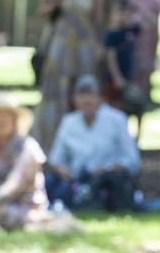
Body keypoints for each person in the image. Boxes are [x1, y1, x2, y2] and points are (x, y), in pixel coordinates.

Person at [32, 0, 104, 152]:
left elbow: (98, 17)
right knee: (57, 91)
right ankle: (53, 144)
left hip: (84, 44)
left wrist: (99, 45)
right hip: (61, 44)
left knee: (82, 87)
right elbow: (42, 12)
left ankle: (83, 143)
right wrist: (54, 1)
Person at [46, 74, 141, 211]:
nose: (86, 100)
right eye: (81, 95)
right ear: (74, 99)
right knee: (49, 182)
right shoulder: (69, 122)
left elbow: (132, 160)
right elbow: (56, 158)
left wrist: (107, 169)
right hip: (75, 180)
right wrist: (62, 170)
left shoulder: (117, 120)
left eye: (90, 95)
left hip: (105, 181)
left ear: (101, 98)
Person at [0, 96, 49, 229]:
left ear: (15, 121)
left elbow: (16, 183)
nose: (2, 120)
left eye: (7, 116)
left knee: (3, 214)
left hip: (24, 207)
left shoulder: (28, 147)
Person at [116, 0, 160, 138]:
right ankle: (123, 133)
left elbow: (155, 27)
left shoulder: (154, 0)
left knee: (141, 94)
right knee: (123, 94)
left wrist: (154, 58)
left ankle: (139, 134)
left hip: (144, 52)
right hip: (125, 52)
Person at [103, 0, 142, 115]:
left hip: (128, 76)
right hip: (114, 78)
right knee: (114, 106)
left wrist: (137, 8)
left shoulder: (131, 30)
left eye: (126, 13)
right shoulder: (112, 35)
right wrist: (117, 77)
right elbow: (111, 58)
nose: (122, 16)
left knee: (130, 106)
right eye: (118, 12)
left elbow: (151, 22)